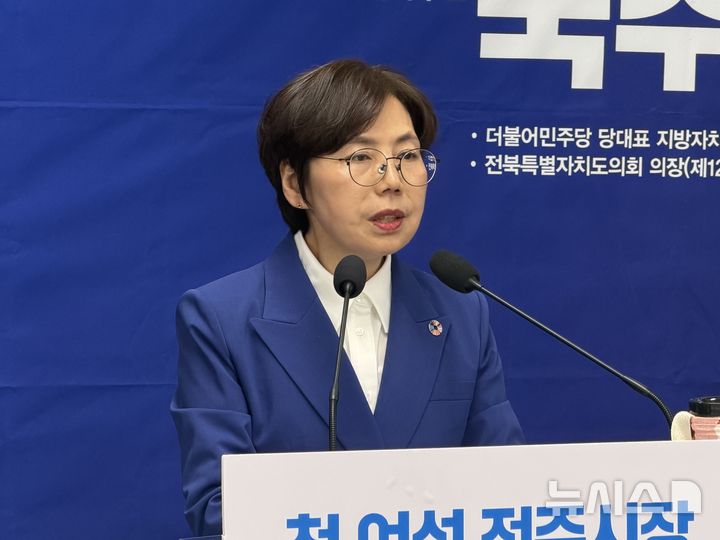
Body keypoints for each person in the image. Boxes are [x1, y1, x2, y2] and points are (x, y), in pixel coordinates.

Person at [170, 59, 524, 537]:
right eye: (361, 158)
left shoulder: (461, 311)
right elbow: (221, 509)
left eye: (408, 155)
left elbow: (505, 489)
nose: (392, 180)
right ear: (294, 184)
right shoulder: (221, 318)